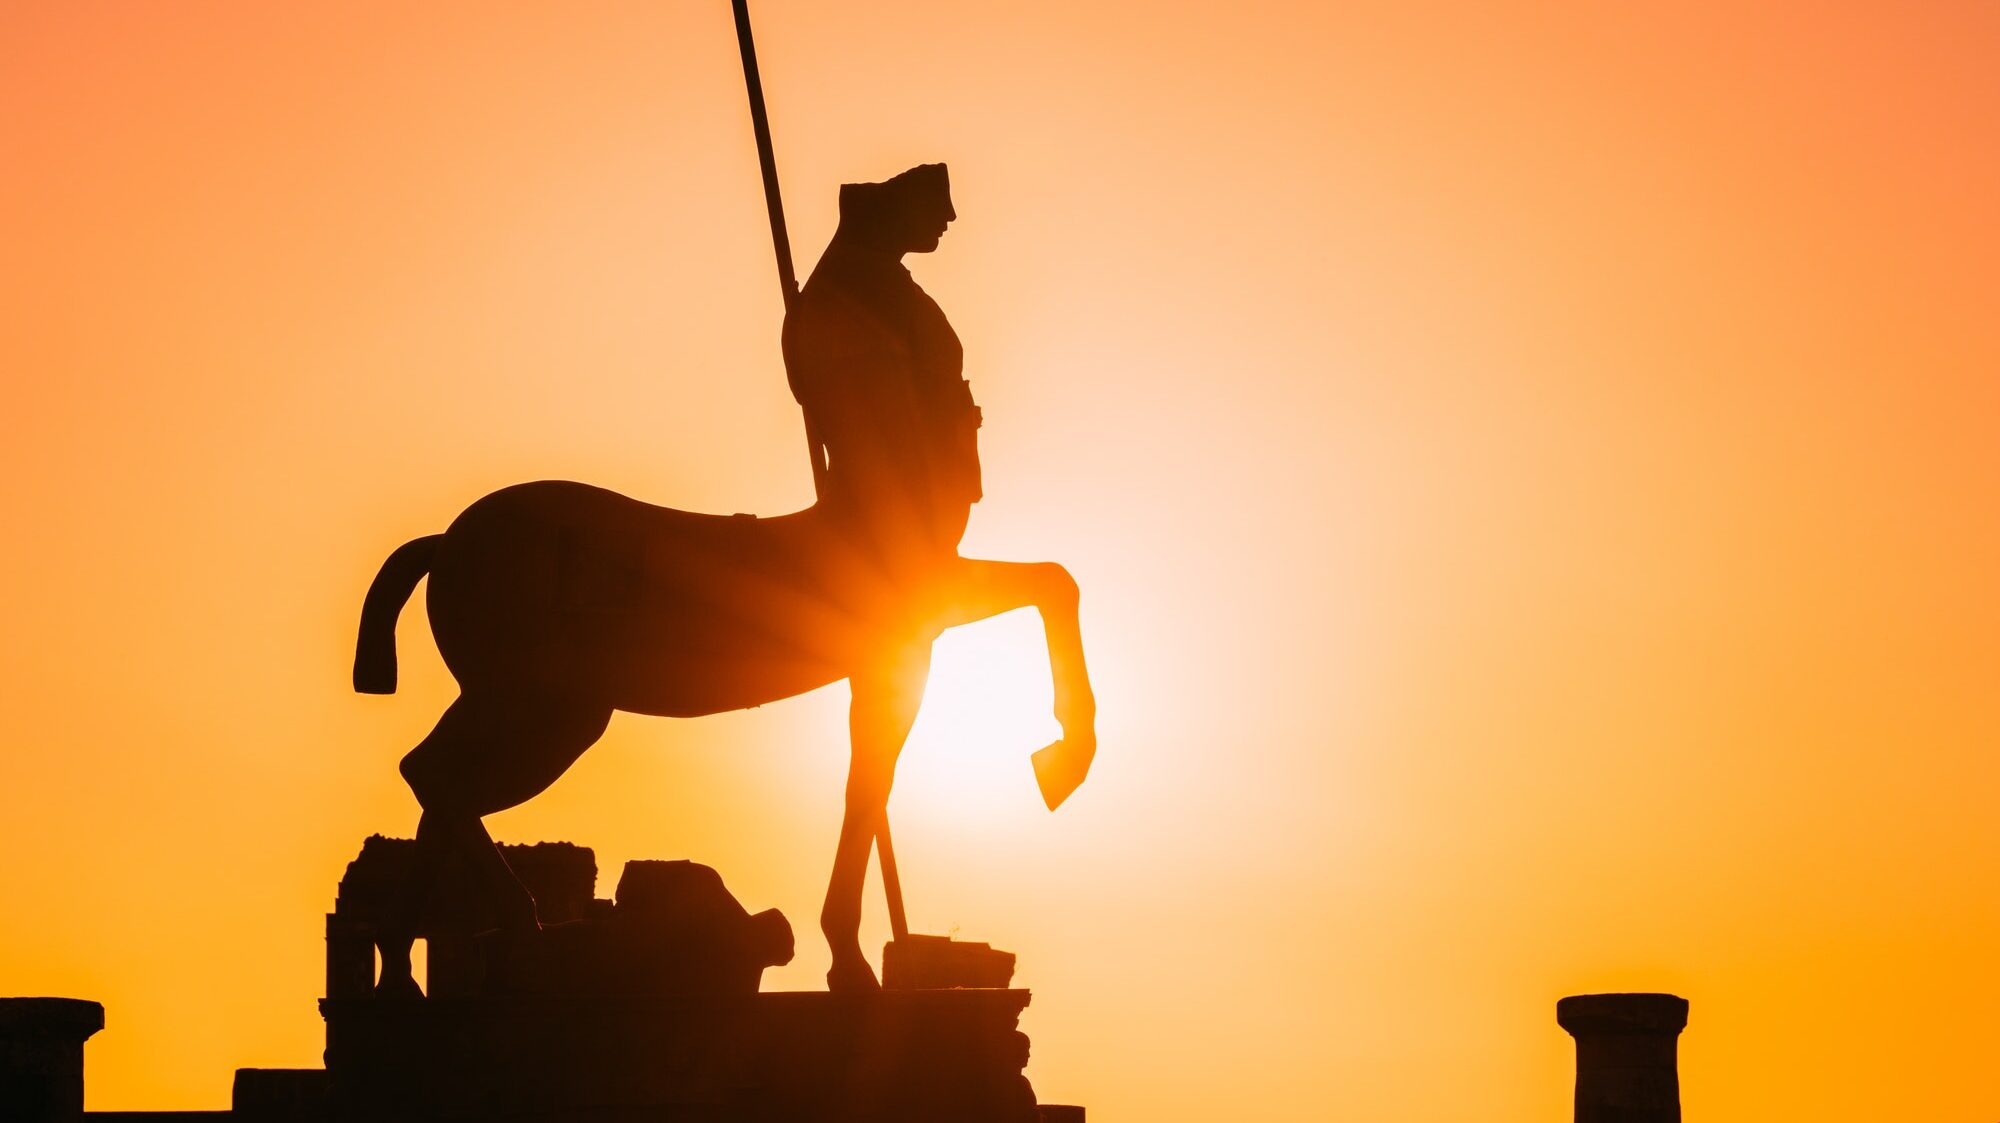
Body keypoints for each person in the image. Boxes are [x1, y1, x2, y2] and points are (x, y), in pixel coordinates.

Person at [782, 163, 982, 599]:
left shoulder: (879, 281)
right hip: (890, 508)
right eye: (935, 207)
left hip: (918, 499)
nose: (949, 219)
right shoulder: (858, 287)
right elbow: (868, 399)